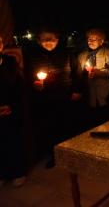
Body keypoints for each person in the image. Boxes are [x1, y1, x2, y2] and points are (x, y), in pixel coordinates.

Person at [23, 27, 80, 168]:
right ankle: (55, 156)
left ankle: (71, 154)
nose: (48, 42)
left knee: (68, 125)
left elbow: (77, 73)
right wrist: (35, 85)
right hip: (45, 99)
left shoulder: (67, 53)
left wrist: (77, 90)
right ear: (38, 41)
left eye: (51, 39)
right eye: (44, 39)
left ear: (57, 39)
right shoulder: (33, 57)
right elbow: (28, 77)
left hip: (66, 95)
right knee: (50, 127)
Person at [77, 28, 109, 128]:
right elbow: (79, 75)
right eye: (89, 39)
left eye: (94, 39)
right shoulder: (82, 56)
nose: (90, 41)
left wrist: (100, 73)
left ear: (101, 41)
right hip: (89, 97)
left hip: (106, 95)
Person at [0, 35, 27, 187]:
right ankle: (2, 174)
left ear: (2, 45)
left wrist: (11, 106)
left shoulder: (10, 62)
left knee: (13, 140)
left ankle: (17, 172)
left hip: (10, 109)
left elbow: (17, 87)